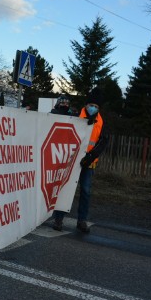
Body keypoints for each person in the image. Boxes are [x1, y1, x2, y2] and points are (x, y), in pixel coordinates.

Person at [52, 88, 109, 233]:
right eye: (91, 105)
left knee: (85, 191)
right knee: (66, 189)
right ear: (86, 105)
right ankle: (58, 219)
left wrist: (90, 157)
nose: (93, 108)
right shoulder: (76, 116)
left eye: (96, 107)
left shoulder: (101, 122)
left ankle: (82, 220)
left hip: (88, 163)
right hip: (72, 161)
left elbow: (103, 142)